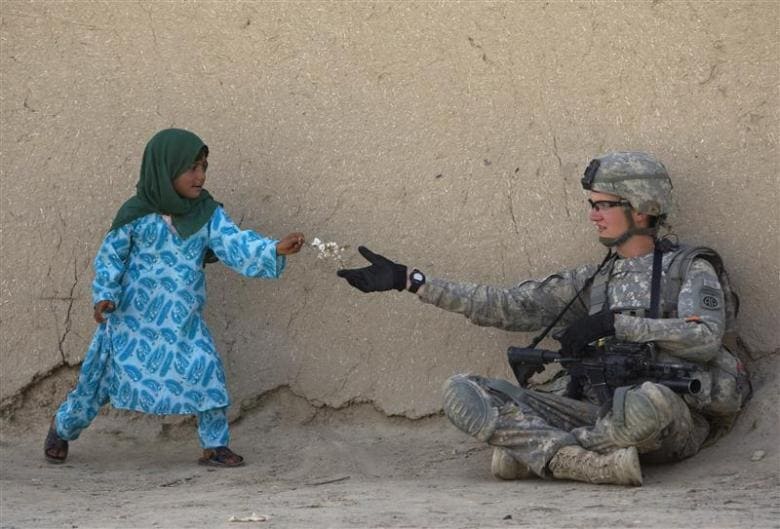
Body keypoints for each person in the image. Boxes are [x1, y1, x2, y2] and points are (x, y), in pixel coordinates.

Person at [336, 151, 750, 486]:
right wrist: (411, 280)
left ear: (642, 208)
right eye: (592, 205)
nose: (593, 215)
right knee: (463, 392)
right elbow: (508, 304)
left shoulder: (688, 268)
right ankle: (582, 462)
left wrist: (617, 325)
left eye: (604, 205)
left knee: (647, 403)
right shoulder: (594, 280)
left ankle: (541, 454)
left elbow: (705, 338)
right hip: (596, 415)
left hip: (665, 417)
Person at [44, 128, 305, 468]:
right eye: (191, 168)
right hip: (131, 322)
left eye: (204, 167)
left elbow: (235, 244)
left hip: (182, 320)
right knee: (97, 382)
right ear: (164, 169)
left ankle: (215, 445)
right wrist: (105, 295)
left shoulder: (207, 214)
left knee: (206, 370)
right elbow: (111, 257)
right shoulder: (136, 214)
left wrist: (273, 249)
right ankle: (62, 428)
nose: (200, 176)